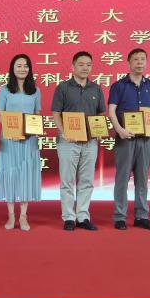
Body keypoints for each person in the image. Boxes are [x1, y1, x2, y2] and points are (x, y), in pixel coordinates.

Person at [108, 48, 150, 230]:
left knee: (142, 179)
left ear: (146, 62)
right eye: (136, 59)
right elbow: (111, 111)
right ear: (129, 63)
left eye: (142, 59)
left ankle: (141, 216)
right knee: (122, 178)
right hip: (125, 138)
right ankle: (120, 217)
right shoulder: (119, 86)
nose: (139, 62)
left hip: (146, 139)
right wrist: (119, 130)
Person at [51, 50, 106, 231]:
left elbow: (100, 113)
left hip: (90, 142)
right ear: (72, 67)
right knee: (67, 181)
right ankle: (68, 217)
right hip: (68, 141)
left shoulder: (96, 88)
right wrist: (64, 132)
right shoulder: (63, 88)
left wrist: (99, 130)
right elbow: (56, 113)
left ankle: (83, 216)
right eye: (81, 64)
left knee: (86, 181)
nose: (85, 68)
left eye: (88, 65)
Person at [0, 54, 42, 231]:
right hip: (9, 139)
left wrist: (29, 131)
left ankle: (23, 216)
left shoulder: (35, 90)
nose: (22, 69)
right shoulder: (4, 90)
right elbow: (0, 113)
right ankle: (11, 215)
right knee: (10, 174)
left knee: (25, 175)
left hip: (29, 140)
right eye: (19, 66)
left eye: (25, 66)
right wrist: (12, 131)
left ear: (29, 69)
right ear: (12, 69)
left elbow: (36, 115)